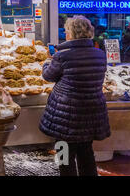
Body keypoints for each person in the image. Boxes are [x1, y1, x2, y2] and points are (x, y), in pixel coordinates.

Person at [39, 15, 110, 176]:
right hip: (91, 113)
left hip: (67, 117)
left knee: (64, 155)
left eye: (66, 31)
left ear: (71, 33)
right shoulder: (100, 55)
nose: (65, 33)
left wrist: (46, 63)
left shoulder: (62, 56)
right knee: (86, 153)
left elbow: (48, 76)